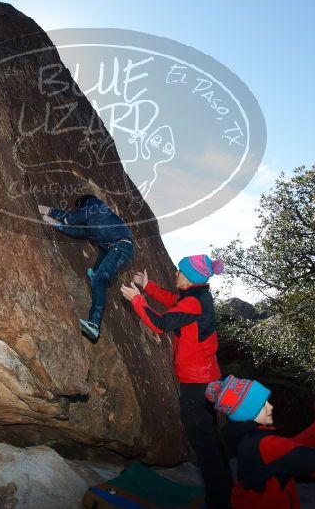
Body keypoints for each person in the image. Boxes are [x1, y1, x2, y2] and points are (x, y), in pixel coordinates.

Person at [120, 255, 232, 508]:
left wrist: (137, 299)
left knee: (205, 447)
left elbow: (161, 324)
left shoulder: (194, 301)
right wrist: (149, 288)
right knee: (212, 440)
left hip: (197, 384)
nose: (175, 274)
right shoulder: (199, 295)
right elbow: (175, 303)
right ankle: (226, 493)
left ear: (190, 277)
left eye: (179, 272)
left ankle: (219, 502)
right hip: (208, 378)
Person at [208, 375, 315, 509]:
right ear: (247, 412)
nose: (270, 406)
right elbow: (309, 461)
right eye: (262, 404)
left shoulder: (250, 437)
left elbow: (289, 450)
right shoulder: (261, 443)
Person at [39, 195, 134, 341]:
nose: (79, 210)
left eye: (79, 208)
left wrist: (47, 210)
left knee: (99, 281)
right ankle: (100, 274)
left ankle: (94, 324)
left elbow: (71, 219)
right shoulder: (94, 223)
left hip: (119, 245)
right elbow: (78, 232)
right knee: (99, 273)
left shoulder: (94, 205)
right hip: (115, 246)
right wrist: (55, 224)